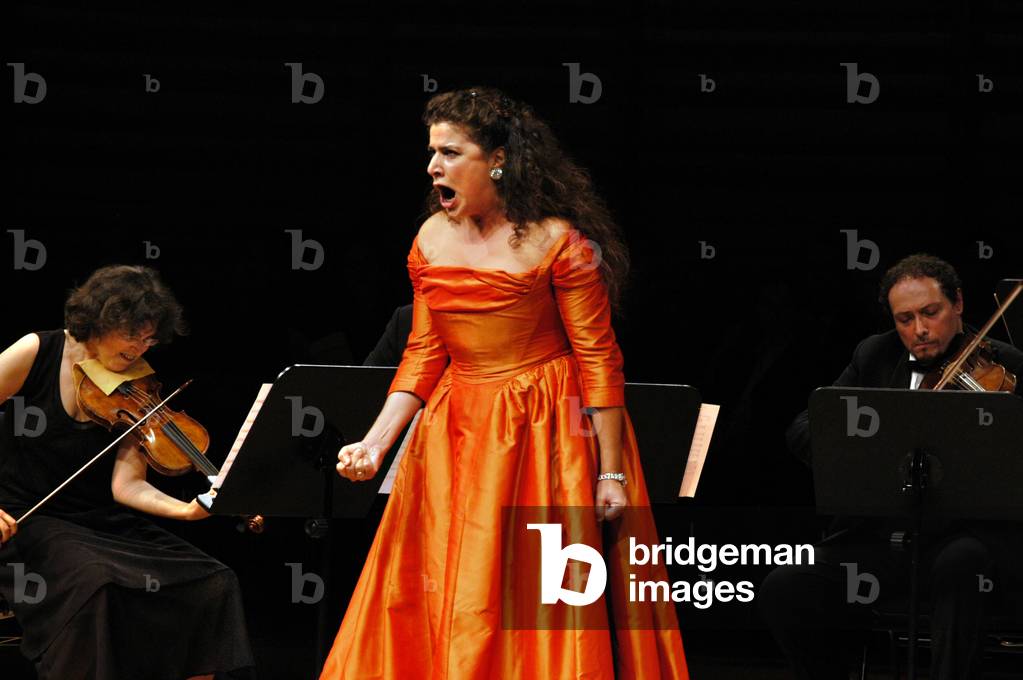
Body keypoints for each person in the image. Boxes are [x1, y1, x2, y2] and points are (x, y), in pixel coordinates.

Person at [319, 87, 688, 679]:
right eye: (432, 151)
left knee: (529, 594)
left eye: (450, 151)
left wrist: (611, 470)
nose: (433, 165)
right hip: (455, 429)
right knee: (448, 583)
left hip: (543, 428)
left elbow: (598, 358)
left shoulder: (560, 242)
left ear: (497, 160)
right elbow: (423, 351)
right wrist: (375, 443)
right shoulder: (429, 240)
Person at [759, 253, 1023, 680]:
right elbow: (805, 427)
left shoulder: (1007, 363)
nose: (918, 330)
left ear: (957, 303)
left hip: (966, 540)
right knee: (786, 589)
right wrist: (868, 450)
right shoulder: (874, 354)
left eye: (930, 313)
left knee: (960, 564)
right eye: (904, 319)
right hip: (885, 541)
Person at [0, 265, 255, 680]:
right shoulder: (38, 351)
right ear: (98, 321)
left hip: (103, 522)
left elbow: (127, 484)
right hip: (27, 521)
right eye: (132, 334)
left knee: (213, 580)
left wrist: (188, 511)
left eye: (150, 337)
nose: (141, 347)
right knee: (98, 586)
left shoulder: (138, 383)